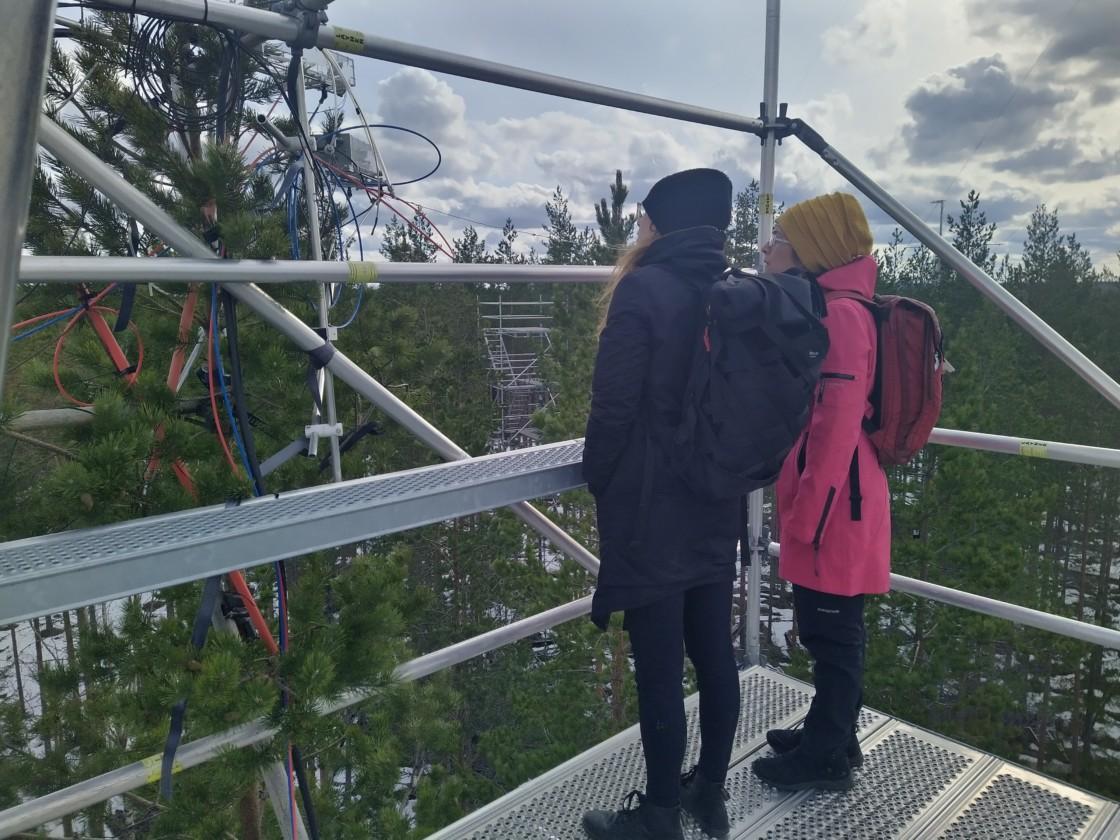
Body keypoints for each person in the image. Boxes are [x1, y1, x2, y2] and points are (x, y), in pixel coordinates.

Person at [580, 169, 741, 840]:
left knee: (658, 670)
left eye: (645, 220)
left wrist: (598, 475)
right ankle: (707, 794)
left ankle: (659, 818)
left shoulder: (644, 290)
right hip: (716, 498)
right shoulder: (733, 290)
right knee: (713, 652)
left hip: (653, 509)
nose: (639, 230)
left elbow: (613, 406)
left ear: (665, 225)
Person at [750, 193, 891, 792]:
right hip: (840, 496)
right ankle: (832, 732)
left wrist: (804, 519)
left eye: (778, 237)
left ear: (811, 249)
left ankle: (827, 758)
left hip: (837, 502)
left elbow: (834, 428)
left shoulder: (842, 316)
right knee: (823, 626)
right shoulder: (838, 306)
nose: (766, 247)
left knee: (834, 635)